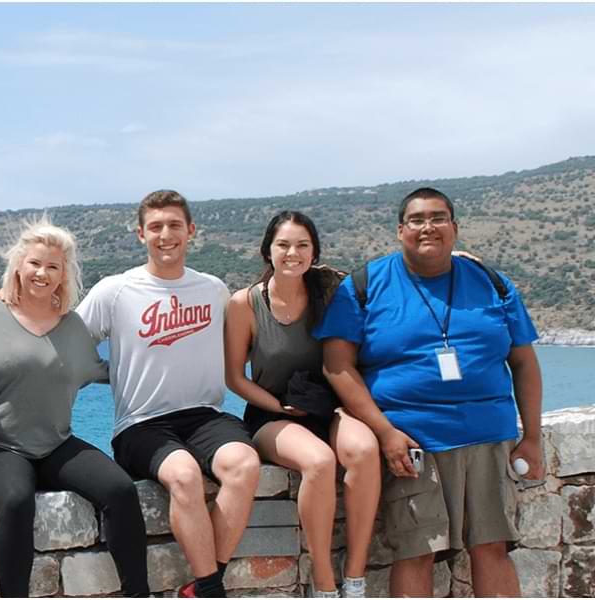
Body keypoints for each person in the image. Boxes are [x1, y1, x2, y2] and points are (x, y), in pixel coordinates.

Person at [316, 187, 546, 598]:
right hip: (412, 441)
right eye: (418, 220)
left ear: (454, 229)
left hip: (488, 436)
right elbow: (336, 366)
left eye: (438, 218)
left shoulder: (492, 283)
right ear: (400, 230)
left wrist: (532, 438)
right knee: (417, 552)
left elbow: (525, 363)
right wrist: (385, 432)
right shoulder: (364, 285)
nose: (428, 227)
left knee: (491, 548)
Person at [77, 189, 260, 598]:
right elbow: (70, 341)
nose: (165, 235)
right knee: (184, 475)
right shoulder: (115, 290)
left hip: (204, 416)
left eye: (174, 225)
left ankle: (204, 584)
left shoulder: (213, 289)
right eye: (155, 227)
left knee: (245, 466)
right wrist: (108, 373)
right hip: (141, 424)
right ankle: (213, 589)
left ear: (191, 231)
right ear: (140, 234)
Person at [0, 217, 149, 598]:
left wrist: (163, 360)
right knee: (15, 500)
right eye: (34, 263)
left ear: (64, 275)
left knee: (121, 490)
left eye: (53, 266)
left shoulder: (72, 326)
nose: (42, 273)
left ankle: (138, 593)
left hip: (55, 444)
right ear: (18, 266)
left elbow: (107, 371)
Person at [222, 211, 380, 598]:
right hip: (272, 414)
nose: (293, 253)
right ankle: (323, 579)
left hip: (329, 408)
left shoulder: (330, 294)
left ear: (314, 252)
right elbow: (234, 378)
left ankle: (355, 576)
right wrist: (278, 406)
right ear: (268, 251)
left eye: (302, 245)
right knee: (320, 461)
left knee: (363, 450)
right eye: (283, 245)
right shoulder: (244, 303)